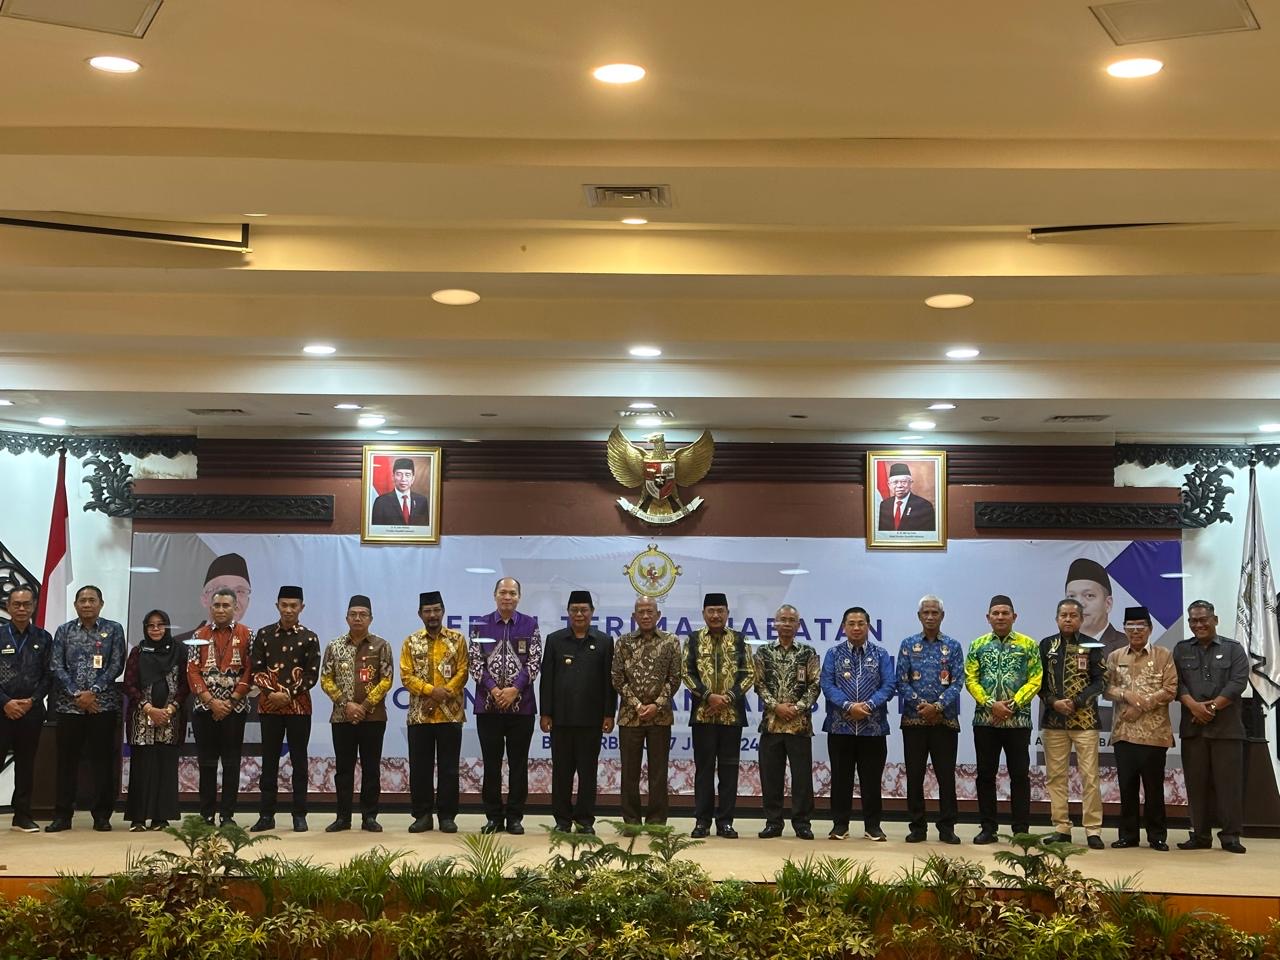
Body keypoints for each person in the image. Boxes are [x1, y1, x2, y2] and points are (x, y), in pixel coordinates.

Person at [47, 584, 126, 832]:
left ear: (101, 604)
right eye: (83, 600)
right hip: (69, 708)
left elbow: (117, 664)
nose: (87, 604)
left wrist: (94, 692)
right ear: (75, 605)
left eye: (92, 600)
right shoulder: (64, 631)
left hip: (102, 706)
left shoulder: (113, 629)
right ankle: (62, 816)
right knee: (66, 763)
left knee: (102, 762)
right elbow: (56, 666)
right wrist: (77, 694)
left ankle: (102, 816)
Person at [964, 594, 1041, 844]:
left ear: (1014, 617)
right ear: (988, 618)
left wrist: (1013, 705)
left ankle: (1021, 830)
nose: (1000, 617)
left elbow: (1035, 679)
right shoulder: (977, 645)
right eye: (995, 613)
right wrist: (991, 705)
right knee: (986, 775)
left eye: (1005, 613)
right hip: (985, 722)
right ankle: (988, 828)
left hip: (1018, 723)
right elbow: (970, 679)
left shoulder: (1029, 645)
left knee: (1019, 776)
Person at [1174, 600, 1249, 854]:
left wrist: (1212, 707)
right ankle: (1200, 835)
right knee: (1196, 785)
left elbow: (1238, 683)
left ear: (1215, 620)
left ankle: (1230, 836)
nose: (1199, 624)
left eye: (1203, 619)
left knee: (1229, 785)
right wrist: (1194, 707)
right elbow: (1176, 683)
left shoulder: (1233, 649)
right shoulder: (1181, 649)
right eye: (1193, 620)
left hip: (1227, 729)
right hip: (1193, 729)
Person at [468, 576, 541, 835]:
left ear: (519, 597)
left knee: (518, 765)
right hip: (488, 707)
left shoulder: (530, 625)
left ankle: (515, 817)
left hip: (522, 708)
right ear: (495, 595)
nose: (507, 597)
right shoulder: (480, 625)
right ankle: (494, 817)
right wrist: (495, 690)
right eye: (503, 592)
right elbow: (475, 663)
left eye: (512, 593)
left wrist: (514, 690)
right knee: (491, 764)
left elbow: (534, 662)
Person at [540, 590, 617, 834]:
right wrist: (545, 713)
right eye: (575, 610)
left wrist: (609, 714)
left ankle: (584, 820)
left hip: (591, 721)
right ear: (568, 612)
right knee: (562, 772)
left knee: (588, 773)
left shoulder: (604, 641)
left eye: (584, 610)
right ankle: (562, 820)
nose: (579, 614)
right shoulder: (555, 640)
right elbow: (547, 680)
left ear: (592, 612)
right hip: (561, 720)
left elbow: (609, 682)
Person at [821, 606, 895, 841]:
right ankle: (839, 825)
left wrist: (869, 705)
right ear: (843, 627)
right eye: (851, 623)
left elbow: (889, 685)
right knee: (840, 779)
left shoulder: (881, 654)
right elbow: (827, 684)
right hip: (840, 727)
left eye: (860, 623)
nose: (856, 628)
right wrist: (848, 706)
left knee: (871, 780)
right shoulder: (833, 654)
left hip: (873, 728)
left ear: (868, 626)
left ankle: (873, 826)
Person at [250, 585, 320, 833]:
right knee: (269, 762)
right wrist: (272, 694)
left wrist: (288, 694)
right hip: (269, 707)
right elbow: (256, 670)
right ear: (277, 606)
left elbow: (311, 675)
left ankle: (299, 815)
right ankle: (266, 815)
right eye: (284, 605)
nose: (289, 610)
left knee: (299, 762)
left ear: (302, 607)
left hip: (299, 708)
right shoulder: (264, 634)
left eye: (293, 606)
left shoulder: (309, 637)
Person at [1105, 605, 1176, 851]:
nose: (1136, 631)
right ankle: (1128, 835)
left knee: (1154, 788)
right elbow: (1106, 688)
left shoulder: (1163, 655)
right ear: (1124, 629)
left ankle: (1157, 836)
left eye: (1140, 627)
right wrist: (1126, 695)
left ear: (1150, 629)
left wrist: (1141, 705)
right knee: (1127, 787)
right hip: (1124, 733)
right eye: (1131, 627)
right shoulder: (1115, 656)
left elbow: (1170, 689)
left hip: (1155, 735)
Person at [683, 592, 753, 839]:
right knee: (703, 771)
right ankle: (702, 821)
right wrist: (708, 696)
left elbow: (749, 674)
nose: (715, 615)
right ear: (703, 614)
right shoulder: (693, 639)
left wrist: (727, 698)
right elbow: (686, 673)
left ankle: (725, 822)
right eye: (711, 611)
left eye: (720, 611)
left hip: (731, 718)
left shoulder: (740, 640)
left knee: (729, 771)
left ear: (727, 613)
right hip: (703, 716)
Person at [320, 595, 393, 833]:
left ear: (370, 618)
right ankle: (343, 817)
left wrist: (364, 706)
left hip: (373, 718)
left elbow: (387, 680)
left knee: (371, 769)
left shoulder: (382, 645)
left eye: (363, 615)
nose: (358, 618)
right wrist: (346, 704)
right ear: (347, 618)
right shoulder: (334, 646)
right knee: (343, 770)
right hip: (342, 718)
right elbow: (326, 679)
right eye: (353, 614)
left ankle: (369, 817)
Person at [894, 595, 963, 844]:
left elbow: (958, 681)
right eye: (926, 613)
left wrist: (937, 707)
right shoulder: (908, 644)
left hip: (945, 721)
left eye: (935, 613)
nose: (930, 617)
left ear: (942, 616)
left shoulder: (953, 646)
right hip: (914, 721)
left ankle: (947, 827)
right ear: (919, 616)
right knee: (914, 776)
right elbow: (901, 681)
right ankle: (917, 826)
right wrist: (922, 706)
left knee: (946, 777)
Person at [1039, 598, 1105, 849]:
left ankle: (1093, 830)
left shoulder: (1092, 645)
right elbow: (1038, 682)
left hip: (1085, 721)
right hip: (1054, 721)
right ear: (1057, 618)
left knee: (1090, 777)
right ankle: (1061, 828)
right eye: (1063, 615)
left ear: (1081, 619)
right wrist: (1053, 702)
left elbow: (1101, 681)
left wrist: (1076, 702)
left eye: (1073, 615)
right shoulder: (1047, 645)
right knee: (1056, 777)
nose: (1068, 619)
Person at [186, 586, 254, 826]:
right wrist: (211, 701)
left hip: (235, 709)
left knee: (232, 763)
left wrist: (232, 700)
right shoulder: (199, 634)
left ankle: (227, 815)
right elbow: (192, 670)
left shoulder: (248, 634)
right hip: (205, 708)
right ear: (210, 607)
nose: (221, 610)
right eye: (217, 605)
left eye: (226, 605)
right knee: (206, 763)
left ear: (235, 607)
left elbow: (251, 670)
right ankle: (206, 814)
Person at [402, 590, 468, 834]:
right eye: (428, 611)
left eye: (436, 610)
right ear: (420, 614)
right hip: (420, 716)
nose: (432, 615)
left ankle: (447, 816)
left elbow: (463, 672)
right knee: (420, 769)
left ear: (443, 612)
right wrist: (431, 691)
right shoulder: (410, 641)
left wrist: (443, 694)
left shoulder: (457, 639)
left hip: (451, 715)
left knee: (449, 769)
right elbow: (406, 676)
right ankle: (422, 816)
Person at [612, 595, 682, 825]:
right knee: (629, 773)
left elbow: (675, 678)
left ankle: (657, 822)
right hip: (630, 717)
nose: (645, 615)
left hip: (660, 717)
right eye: (640, 612)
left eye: (649, 611)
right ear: (634, 616)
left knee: (658, 773)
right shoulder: (623, 642)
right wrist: (637, 705)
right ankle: (631, 821)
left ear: (658, 615)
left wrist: (656, 705)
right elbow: (617, 678)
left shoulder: (671, 641)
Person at [754, 604, 820, 839]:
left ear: (798, 625)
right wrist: (776, 706)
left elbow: (815, 685)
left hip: (799, 726)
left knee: (802, 778)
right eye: (782, 619)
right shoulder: (763, 652)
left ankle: (802, 823)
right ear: (775, 623)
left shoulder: (808, 652)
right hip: (771, 724)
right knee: (771, 776)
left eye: (791, 620)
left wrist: (798, 708)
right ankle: (773, 822)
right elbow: (758, 684)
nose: (787, 624)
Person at [122, 610, 187, 831]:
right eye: (151, 625)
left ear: (167, 627)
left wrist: (170, 709)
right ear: (145, 628)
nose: (156, 629)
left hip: (171, 717)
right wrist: (149, 708)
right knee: (142, 768)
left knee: (165, 767)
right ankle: (138, 818)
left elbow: (185, 685)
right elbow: (129, 684)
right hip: (142, 717)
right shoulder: (138, 652)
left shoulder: (179, 651)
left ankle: (161, 817)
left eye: (160, 625)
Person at [0, 586, 52, 832]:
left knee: (26, 765)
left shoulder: (44, 638)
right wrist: (5, 702)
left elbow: (49, 675)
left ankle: (21, 816)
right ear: (8, 607)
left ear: (34, 606)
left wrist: (33, 700)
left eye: (26, 604)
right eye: (17, 604)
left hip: (31, 711)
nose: (22, 609)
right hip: (2, 710)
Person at [176, 553, 253, 641]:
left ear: (248, 601)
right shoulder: (179, 644)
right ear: (204, 599)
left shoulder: (254, 644)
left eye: (240, 591)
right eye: (223, 589)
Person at [1064, 558, 1126, 657]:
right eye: (1071, 596)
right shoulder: (1053, 647)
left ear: (1108, 604)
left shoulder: (1129, 647)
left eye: (1089, 595)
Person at [876, 463, 936, 532]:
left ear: (910, 483)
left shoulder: (924, 506)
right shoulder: (884, 505)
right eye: (895, 482)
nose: (899, 486)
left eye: (904, 482)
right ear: (889, 485)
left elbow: (928, 535)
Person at [370, 457, 430, 525]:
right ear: (393, 477)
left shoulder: (421, 501)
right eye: (399, 474)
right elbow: (376, 529)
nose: (403, 479)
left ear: (413, 478)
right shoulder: (381, 502)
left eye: (407, 475)